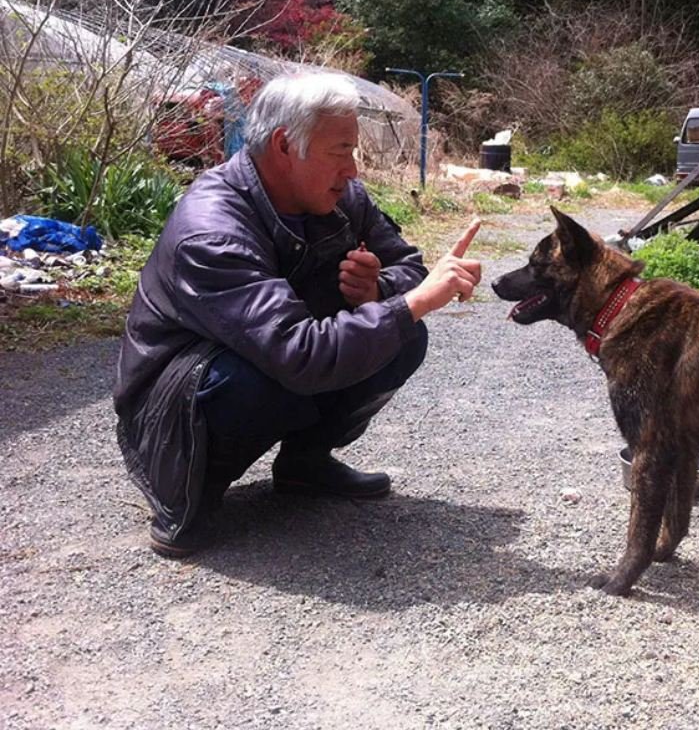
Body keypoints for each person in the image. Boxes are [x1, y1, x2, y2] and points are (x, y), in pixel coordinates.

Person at [114, 72, 482, 558]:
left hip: (280, 356)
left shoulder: (343, 198)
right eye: (341, 151)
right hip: (174, 408)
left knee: (402, 335)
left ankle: (304, 463)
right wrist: (410, 303)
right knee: (252, 378)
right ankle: (185, 493)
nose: (352, 170)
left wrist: (378, 290)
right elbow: (299, 354)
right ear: (287, 145)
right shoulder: (212, 229)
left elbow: (408, 267)